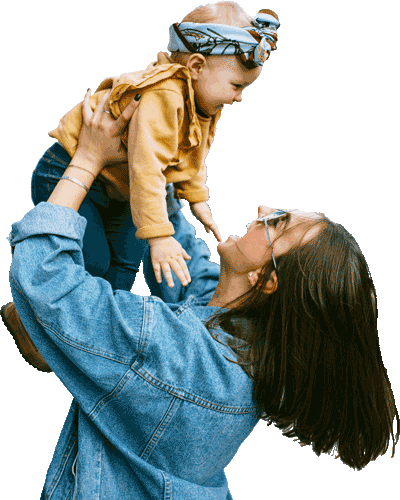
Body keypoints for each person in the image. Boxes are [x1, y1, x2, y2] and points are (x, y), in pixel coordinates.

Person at [2, 66, 398, 500]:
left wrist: (88, 159)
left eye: (279, 224)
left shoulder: (176, 350)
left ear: (267, 280)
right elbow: (179, 253)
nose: (265, 209)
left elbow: (46, 279)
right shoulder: (244, 340)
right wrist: (152, 153)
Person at [30, 2, 280, 293]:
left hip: (121, 189)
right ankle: (40, 318)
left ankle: (104, 329)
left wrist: (197, 198)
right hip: (69, 171)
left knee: (124, 262)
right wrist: (160, 237)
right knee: (95, 260)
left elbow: (194, 153)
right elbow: (146, 168)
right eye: (237, 86)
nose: (239, 97)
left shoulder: (202, 103)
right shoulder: (165, 95)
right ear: (196, 66)